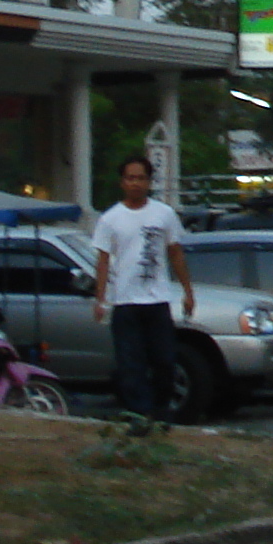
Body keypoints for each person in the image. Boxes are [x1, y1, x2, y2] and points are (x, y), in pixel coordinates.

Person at [89, 153, 194, 425]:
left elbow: (176, 254)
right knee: (130, 363)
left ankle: (161, 410)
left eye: (141, 178)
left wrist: (187, 292)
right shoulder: (110, 219)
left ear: (149, 182)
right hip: (124, 301)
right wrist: (99, 299)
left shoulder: (164, 214)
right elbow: (102, 261)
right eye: (130, 178)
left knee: (164, 361)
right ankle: (139, 413)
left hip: (157, 300)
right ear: (122, 182)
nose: (135, 183)